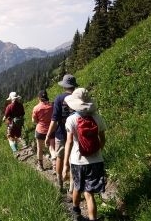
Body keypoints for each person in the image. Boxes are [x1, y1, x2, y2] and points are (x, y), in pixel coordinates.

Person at [63, 88, 106, 221]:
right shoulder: (98, 118)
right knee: (89, 194)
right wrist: (96, 151)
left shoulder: (71, 120)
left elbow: (69, 142)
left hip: (78, 161)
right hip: (96, 160)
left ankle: (76, 213)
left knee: (77, 186)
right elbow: (103, 139)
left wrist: (65, 164)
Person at [45, 74, 78, 190]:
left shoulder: (59, 99)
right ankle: (72, 187)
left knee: (60, 157)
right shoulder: (78, 97)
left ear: (64, 86)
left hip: (61, 134)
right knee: (73, 159)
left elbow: (54, 120)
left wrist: (48, 135)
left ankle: (60, 184)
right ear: (74, 86)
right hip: (76, 134)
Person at [31, 90, 55, 171]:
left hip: (40, 130)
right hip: (51, 130)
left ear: (39, 98)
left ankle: (40, 166)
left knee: (39, 148)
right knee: (52, 148)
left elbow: (34, 121)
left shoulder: (36, 108)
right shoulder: (52, 106)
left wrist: (40, 122)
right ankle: (55, 165)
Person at [3, 92, 27, 157]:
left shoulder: (9, 106)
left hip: (12, 124)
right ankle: (16, 149)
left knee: (9, 137)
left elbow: (6, 115)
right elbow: (23, 113)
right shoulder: (20, 105)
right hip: (19, 124)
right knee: (16, 136)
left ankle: (15, 151)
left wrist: (4, 119)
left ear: (11, 99)